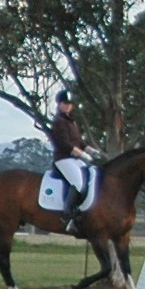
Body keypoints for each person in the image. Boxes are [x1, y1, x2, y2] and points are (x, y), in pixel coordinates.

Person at [48, 89, 99, 232]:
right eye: (65, 103)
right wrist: (82, 154)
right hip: (63, 159)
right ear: (59, 104)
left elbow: (79, 142)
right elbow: (64, 144)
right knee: (77, 182)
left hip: (74, 159)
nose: (67, 106)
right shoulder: (58, 122)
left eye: (69, 104)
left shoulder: (71, 121)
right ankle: (68, 217)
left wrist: (91, 151)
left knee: (91, 178)